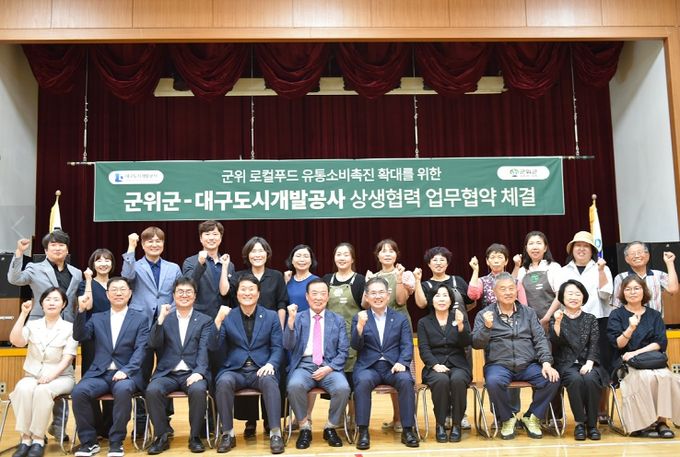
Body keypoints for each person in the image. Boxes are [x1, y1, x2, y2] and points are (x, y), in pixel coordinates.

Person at [7, 230, 82, 442]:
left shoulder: (76, 273)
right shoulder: (34, 268)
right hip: (40, 325)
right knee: (38, 379)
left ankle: (58, 426)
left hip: (66, 329)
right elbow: (14, 279)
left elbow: (74, 301)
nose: (57, 248)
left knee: (62, 375)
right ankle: (33, 430)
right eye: (53, 245)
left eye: (61, 245)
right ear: (46, 250)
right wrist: (19, 253)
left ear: (67, 250)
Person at [472, 273, 560, 440]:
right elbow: (476, 343)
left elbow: (540, 339)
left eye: (511, 288)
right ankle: (507, 418)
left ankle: (532, 416)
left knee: (552, 379)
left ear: (516, 290)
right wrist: (486, 328)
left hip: (527, 364)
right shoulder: (485, 314)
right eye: (503, 289)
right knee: (493, 382)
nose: (508, 292)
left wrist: (546, 363)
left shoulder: (528, 313)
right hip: (499, 365)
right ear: (494, 292)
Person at [71, 277, 150, 457]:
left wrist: (127, 371)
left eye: (122, 289)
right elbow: (80, 336)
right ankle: (89, 442)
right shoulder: (98, 318)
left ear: (130, 293)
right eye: (114, 290)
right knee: (79, 392)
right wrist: (81, 311)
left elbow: (141, 349)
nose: (118, 293)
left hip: (126, 374)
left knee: (123, 390)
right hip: (100, 373)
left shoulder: (140, 319)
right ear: (107, 295)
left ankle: (116, 442)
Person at [211, 275, 285, 454]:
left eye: (251, 289)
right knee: (223, 382)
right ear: (237, 294)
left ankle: (275, 433)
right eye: (243, 289)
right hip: (235, 369)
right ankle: (228, 433)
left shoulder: (271, 316)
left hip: (261, 368)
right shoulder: (228, 316)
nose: (247, 293)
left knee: (270, 381)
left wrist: (271, 364)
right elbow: (213, 346)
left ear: (258, 293)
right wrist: (217, 321)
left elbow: (278, 347)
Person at [228, 236, 288, 437]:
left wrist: (279, 328)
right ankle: (250, 421)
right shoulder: (239, 276)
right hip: (244, 329)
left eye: (261, 250)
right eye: (253, 251)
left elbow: (281, 303)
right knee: (245, 365)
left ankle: (271, 421)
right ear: (247, 254)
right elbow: (230, 298)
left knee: (269, 373)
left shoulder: (276, 276)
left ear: (267, 253)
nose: (257, 254)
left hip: (270, 329)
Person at [146, 278, 214, 454]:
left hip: (192, 372)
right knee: (152, 390)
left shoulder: (205, 320)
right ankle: (161, 436)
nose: (184, 295)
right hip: (167, 373)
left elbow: (204, 349)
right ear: (174, 295)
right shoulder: (165, 318)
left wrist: (199, 372)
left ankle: (195, 437)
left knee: (198, 390)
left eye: (188, 292)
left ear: (195, 296)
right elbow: (153, 343)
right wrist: (160, 320)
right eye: (180, 292)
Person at [607, 275, 680, 437]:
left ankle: (661, 422)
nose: (632, 292)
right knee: (645, 377)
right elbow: (618, 344)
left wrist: (636, 352)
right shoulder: (616, 315)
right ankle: (642, 423)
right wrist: (631, 328)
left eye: (636, 288)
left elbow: (660, 342)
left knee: (667, 377)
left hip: (652, 361)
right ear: (623, 293)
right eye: (628, 289)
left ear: (644, 291)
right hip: (626, 364)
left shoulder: (654, 315)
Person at [351, 277, 419, 450]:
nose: (377, 296)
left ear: (388, 295)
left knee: (406, 380)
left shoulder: (400, 318)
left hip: (393, 366)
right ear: (367, 297)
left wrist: (402, 362)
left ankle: (408, 430)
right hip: (369, 367)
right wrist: (360, 327)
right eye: (373, 293)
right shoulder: (360, 317)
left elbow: (407, 345)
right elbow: (355, 346)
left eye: (381, 292)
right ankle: (363, 431)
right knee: (362, 382)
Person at [8, 288, 77, 457]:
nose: (51, 303)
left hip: (61, 377)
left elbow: (67, 358)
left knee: (42, 391)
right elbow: (16, 341)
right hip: (33, 376)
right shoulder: (32, 325)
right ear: (42, 304)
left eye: (56, 299)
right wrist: (23, 314)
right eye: (48, 299)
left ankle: (38, 439)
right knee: (23, 388)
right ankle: (25, 439)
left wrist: (50, 376)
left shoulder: (70, 327)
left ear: (63, 304)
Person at [283, 279, 350, 449]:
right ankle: (304, 426)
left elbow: (343, 351)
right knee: (294, 385)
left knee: (343, 388)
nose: (318, 297)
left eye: (322, 294)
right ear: (307, 296)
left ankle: (330, 427)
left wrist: (329, 368)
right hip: (304, 365)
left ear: (328, 297)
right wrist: (290, 322)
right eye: (314, 294)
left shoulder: (338, 320)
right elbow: (288, 345)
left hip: (329, 365)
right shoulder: (298, 317)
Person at [554, 231, 614, 422]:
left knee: (598, 365)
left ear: (592, 250)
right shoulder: (563, 271)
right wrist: (548, 318)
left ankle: (600, 411)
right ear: (572, 249)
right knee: (573, 368)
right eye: (577, 245)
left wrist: (601, 271)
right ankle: (581, 415)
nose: (581, 249)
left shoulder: (602, 268)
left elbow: (606, 295)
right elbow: (559, 298)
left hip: (598, 321)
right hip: (570, 322)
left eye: (586, 246)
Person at [365, 239, 415, 432]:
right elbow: (364, 305)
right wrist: (367, 283)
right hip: (379, 327)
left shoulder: (404, 273)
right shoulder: (373, 276)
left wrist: (400, 279)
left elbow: (401, 301)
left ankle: (403, 419)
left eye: (391, 251)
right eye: (383, 251)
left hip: (399, 326)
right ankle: (396, 417)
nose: (387, 254)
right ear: (377, 255)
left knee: (402, 373)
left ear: (396, 254)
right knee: (388, 371)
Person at [549, 280, 608, 440]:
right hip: (566, 364)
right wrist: (558, 322)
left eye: (577, 294)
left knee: (591, 379)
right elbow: (555, 341)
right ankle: (580, 424)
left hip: (588, 362)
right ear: (562, 297)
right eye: (570, 294)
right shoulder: (557, 318)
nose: (574, 297)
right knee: (575, 379)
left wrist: (589, 363)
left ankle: (592, 425)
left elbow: (594, 343)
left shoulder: (590, 318)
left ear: (583, 297)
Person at [417, 284, 471, 443]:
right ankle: (440, 424)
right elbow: (424, 348)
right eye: (437, 295)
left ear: (451, 300)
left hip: (458, 364)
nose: (441, 299)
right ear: (431, 300)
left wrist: (461, 326)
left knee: (458, 380)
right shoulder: (424, 322)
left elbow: (467, 343)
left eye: (445, 295)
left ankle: (456, 425)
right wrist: (435, 365)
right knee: (441, 380)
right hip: (434, 366)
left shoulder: (459, 316)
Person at [77, 249, 115, 438]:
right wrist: (89, 280)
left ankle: (110, 427)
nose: (103, 263)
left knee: (113, 379)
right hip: (93, 338)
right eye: (99, 260)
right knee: (91, 379)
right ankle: (96, 427)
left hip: (115, 337)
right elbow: (88, 305)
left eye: (107, 260)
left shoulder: (116, 284)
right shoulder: (85, 284)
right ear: (92, 264)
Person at [121, 227, 182, 326]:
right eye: (150, 241)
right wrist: (131, 247)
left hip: (167, 318)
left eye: (158, 241)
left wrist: (171, 311)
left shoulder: (174, 268)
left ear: (163, 244)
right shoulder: (135, 266)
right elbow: (126, 278)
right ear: (143, 245)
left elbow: (180, 292)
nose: (154, 245)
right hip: (140, 318)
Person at [182, 220, 235, 319]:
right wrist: (200, 264)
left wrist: (225, 267)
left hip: (223, 317)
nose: (211, 238)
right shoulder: (190, 262)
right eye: (207, 234)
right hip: (199, 317)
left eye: (215, 234)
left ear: (220, 238)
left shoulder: (229, 264)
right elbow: (189, 287)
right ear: (201, 238)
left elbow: (226, 293)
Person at [612, 241, 678, 315]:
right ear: (626, 259)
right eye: (633, 253)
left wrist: (670, 263)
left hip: (655, 320)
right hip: (630, 320)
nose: (637, 256)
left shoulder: (658, 275)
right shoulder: (621, 278)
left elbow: (673, 289)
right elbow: (616, 305)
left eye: (639, 252)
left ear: (647, 255)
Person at [512, 231, 561, 327]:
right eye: (531, 243)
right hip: (528, 322)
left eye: (538, 243)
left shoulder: (554, 267)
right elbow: (511, 287)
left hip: (552, 321)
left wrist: (546, 318)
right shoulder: (522, 270)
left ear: (545, 248)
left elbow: (559, 296)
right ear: (526, 248)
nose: (535, 247)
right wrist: (517, 266)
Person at [467, 243, 510, 311]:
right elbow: (473, 295)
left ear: (506, 261)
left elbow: (523, 306)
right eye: (492, 257)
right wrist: (475, 270)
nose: (496, 261)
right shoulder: (483, 281)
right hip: (489, 317)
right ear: (487, 261)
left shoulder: (514, 281)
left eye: (500, 257)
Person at [283, 244, 320, 313]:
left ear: (311, 261)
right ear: (292, 260)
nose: (302, 259)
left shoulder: (317, 281)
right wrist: (284, 282)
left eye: (306, 256)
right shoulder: (287, 280)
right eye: (298, 256)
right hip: (289, 319)